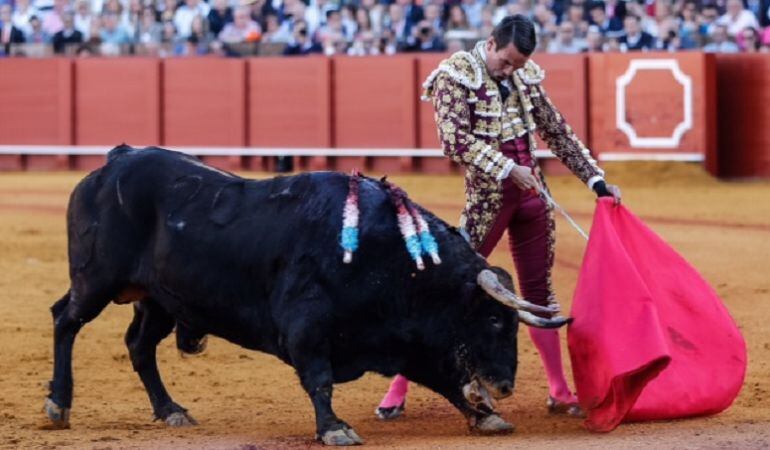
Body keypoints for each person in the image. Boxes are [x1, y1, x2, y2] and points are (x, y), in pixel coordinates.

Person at [376, 14, 621, 422]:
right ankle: (398, 386)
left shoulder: (524, 77)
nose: (511, 71)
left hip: (533, 201)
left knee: (539, 294)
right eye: (506, 62)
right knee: (446, 291)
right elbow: (454, 141)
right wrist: (508, 169)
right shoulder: (455, 75)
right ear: (490, 44)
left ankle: (559, 391)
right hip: (487, 202)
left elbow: (557, 132)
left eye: (518, 65)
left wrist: (596, 181)